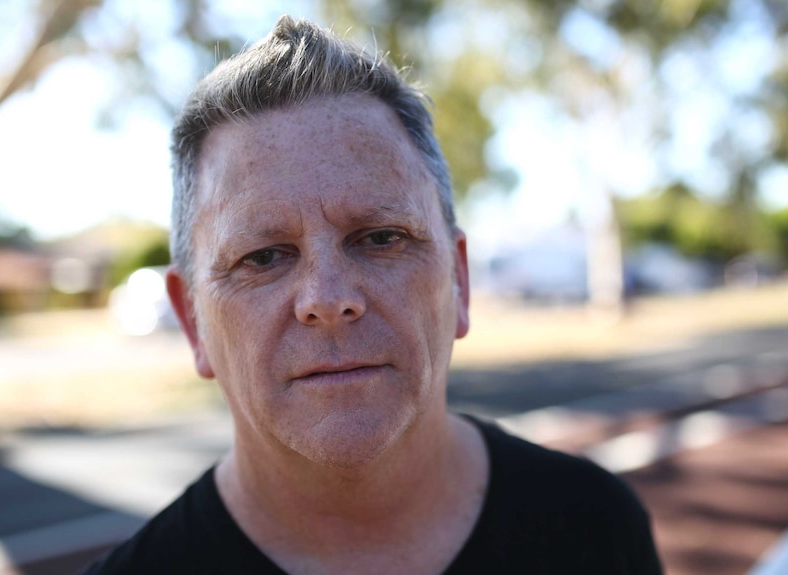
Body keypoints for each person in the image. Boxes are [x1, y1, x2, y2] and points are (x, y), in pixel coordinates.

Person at [79, 15, 662, 575]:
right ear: (193, 322)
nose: (328, 300)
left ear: (458, 281)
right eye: (262, 257)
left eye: (381, 238)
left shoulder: (597, 526)